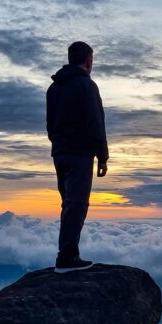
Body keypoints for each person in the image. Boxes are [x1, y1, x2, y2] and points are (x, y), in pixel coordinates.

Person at [46, 41, 109, 273]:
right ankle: (67, 258)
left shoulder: (54, 88)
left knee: (68, 204)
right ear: (88, 61)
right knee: (77, 204)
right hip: (80, 154)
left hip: (60, 153)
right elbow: (96, 122)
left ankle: (68, 254)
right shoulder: (86, 86)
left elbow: (49, 125)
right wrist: (102, 156)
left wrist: (58, 145)